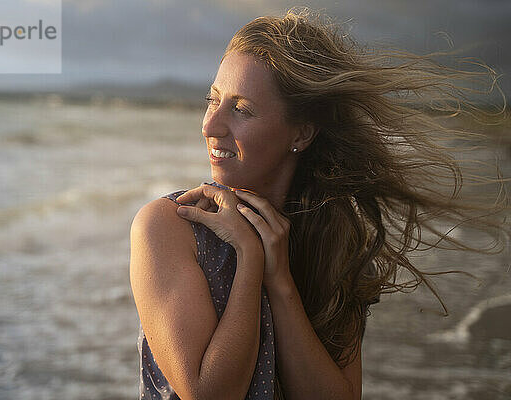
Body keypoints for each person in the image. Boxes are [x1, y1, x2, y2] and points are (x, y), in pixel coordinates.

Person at [129, 8, 509, 400]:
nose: (210, 126)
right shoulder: (169, 226)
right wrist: (250, 260)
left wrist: (280, 283)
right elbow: (209, 394)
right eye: (213, 100)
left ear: (303, 133)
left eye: (241, 109)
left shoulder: (334, 243)